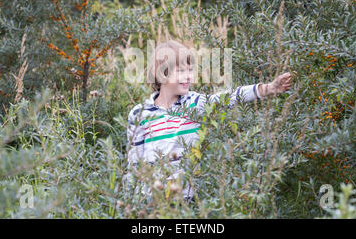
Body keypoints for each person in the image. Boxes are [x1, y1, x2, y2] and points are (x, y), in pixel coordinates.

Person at [125, 40, 293, 201]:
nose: (189, 76)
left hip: (188, 203)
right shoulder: (139, 115)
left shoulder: (195, 104)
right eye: (181, 71)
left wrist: (268, 88)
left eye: (190, 70)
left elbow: (229, 97)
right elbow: (134, 164)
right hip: (152, 205)